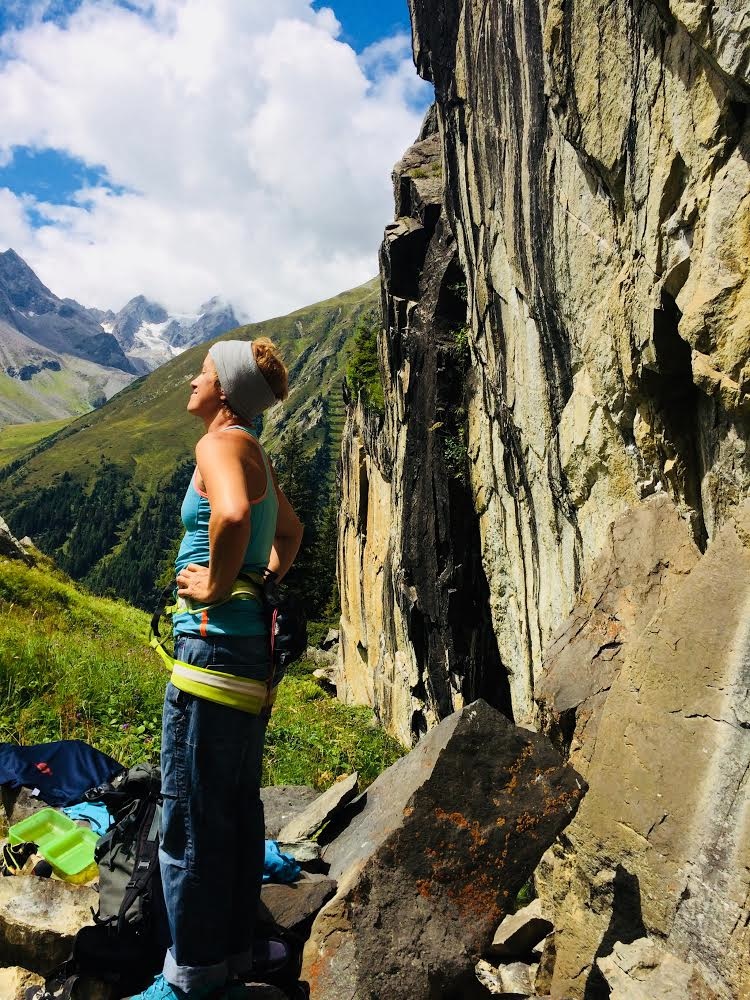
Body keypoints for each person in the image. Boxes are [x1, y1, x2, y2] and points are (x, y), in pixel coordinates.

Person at [132, 338, 303, 1000]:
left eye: (202, 373)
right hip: (249, 658)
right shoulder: (255, 451)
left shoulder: (220, 443)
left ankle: (190, 978)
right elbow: (287, 533)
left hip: (210, 656)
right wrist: (255, 585)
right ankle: (235, 954)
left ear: (226, 392)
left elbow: (230, 513)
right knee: (233, 810)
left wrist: (214, 586)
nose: (192, 381)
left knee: (191, 817)